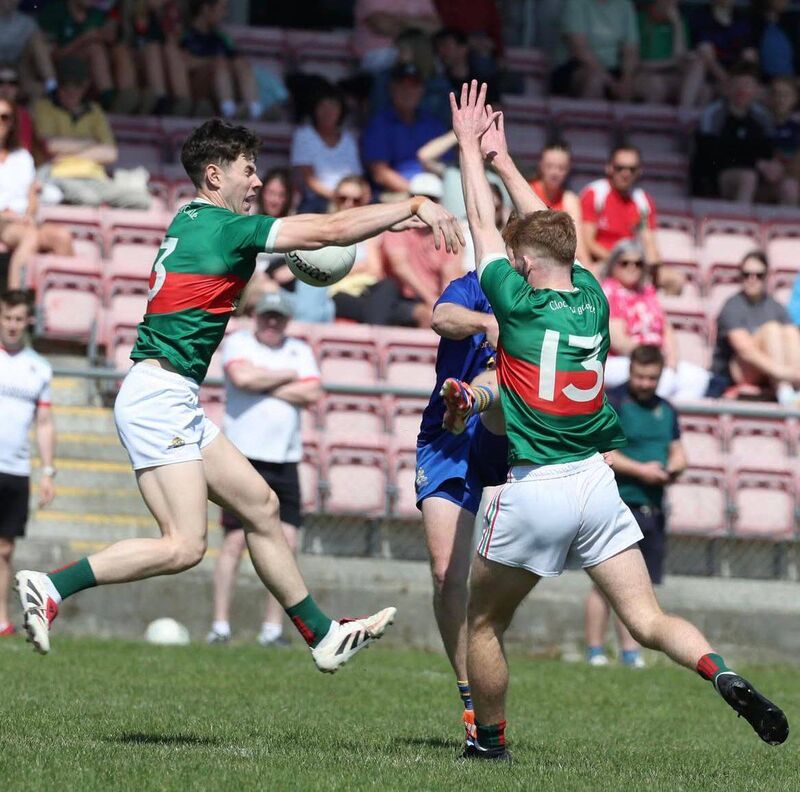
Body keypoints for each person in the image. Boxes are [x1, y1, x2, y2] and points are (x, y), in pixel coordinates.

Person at [15, 117, 464, 670]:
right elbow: (327, 232)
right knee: (184, 545)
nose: (256, 182)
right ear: (213, 174)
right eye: (247, 170)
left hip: (169, 394)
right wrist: (413, 205)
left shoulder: (191, 218)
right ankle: (52, 585)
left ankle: (321, 634)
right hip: (160, 396)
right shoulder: (226, 228)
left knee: (262, 505)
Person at [447, 80, 787, 760]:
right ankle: (718, 672)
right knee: (649, 619)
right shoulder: (598, 297)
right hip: (597, 486)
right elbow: (547, 229)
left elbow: (485, 225)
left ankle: (490, 743)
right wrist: (508, 160)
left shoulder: (513, 300)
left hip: (536, 487)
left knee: (481, 621)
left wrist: (468, 146)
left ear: (525, 266)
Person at [415, 264, 508, 747]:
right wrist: (485, 322)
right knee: (445, 571)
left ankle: (472, 399)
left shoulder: (545, 292)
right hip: (445, 444)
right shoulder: (471, 285)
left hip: (509, 433)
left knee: (502, 577)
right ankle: (471, 697)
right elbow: (442, 317)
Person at [208, 291, 322, 647]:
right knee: (234, 542)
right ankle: (220, 625)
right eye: (266, 316)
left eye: (279, 318)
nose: (272, 323)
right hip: (243, 458)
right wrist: (288, 377)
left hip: (285, 459)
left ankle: (273, 628)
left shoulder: (300, 350)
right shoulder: (240, 342)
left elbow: (312, 392)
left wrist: (265, 381)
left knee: (286, 544)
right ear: (256, 316)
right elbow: (242, 379)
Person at [585, 344, 686, 669]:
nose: (645, 383)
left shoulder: (667, 409)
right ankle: (595, 649)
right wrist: (642, 470)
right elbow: (604, 451)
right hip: (617, 501)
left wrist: (676, 466)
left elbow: (678, 451)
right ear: (630, 372)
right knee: (604, 584)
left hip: (653, 508)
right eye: (640, 377)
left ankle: (630, 652)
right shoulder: (613, 401)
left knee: (642, 587)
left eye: (652, 378)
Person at [0, 290, 55, 637]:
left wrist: (48, 471)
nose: (12, 325)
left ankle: (1, 619)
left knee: (5, 548)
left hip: (16, 469)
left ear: (28, 321)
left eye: (19, 319)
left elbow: (45, 424)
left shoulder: (40, 368)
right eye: (7, 318)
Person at [33, 56, 151, 209]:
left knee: (141, 201)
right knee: (88, 199)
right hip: (58, 175)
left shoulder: (94, 111)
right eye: (65, 85)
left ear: (86, 85)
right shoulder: (44, 107)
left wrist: (66, 153)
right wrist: (89, 142)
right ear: (58, 84)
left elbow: (110, 154)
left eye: (77, 85)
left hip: (96, 177)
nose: (71, 91)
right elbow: (49, 145)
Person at [602, 240, 709, 400]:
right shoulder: (609, 291)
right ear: (614, 265)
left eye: (638, 263)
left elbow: (666, 328)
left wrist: (672, 358)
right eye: (625, 263)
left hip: (655, 357)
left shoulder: (647, 292)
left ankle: (667, 419)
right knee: (661, 379)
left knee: (698, 378)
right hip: (622, 359)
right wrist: (652, 360)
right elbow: (618, 340)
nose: (632, 268)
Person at [580, 145, 682, 294]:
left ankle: (652, 313)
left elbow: (650, 243)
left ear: (639, 171)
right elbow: (589, 242)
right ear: (609, 168)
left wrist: (650, 265)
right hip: (604, 262)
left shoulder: (643, 201)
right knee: (592, 274)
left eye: (631, 169)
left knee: (676, 280)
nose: (625, 173)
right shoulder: (595, 194)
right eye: (620, 168)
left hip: (634, 263)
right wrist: (618, 261)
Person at [0, 96, 74, 289]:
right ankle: (15, 299)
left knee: (62, 237)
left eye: (5, 117)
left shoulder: (22, 157)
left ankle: (60, 299)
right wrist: (11, 218)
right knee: (29, 236)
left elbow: (31, 193)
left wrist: (29, 216)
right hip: (3, 222)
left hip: (24, 221)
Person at [708, 250, 800, 403]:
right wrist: (785, 373)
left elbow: (793, 338)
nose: (752, 279)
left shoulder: (775, 307)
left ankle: (794, 388)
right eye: (746, 274)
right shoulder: (732, 306)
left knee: (789, 333)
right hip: (737, 372)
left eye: (759, 275)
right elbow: (745, 350)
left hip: (769, 373)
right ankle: (784, 390)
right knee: (771, 330)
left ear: (766, 277)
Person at [381, 172, 463, 326]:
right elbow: (401, 268)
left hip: (433, 298)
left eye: (431, 199)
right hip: (398, 298)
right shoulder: (398, 227)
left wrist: (444, 305)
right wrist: (432, 301)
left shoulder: (447, 234)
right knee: (427, 316)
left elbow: (450, 276)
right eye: (418, 200)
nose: (426, 206)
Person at [693, 62, 779, 203]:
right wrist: (754, 163)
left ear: (757, 90)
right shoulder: (713, 114)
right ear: (727, 88)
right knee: (747, 177)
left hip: (758, 177)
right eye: (738, 84)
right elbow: (709, 154)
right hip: (718, 177)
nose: (742, 90)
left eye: (747, 85)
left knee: (789, 187)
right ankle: (740, 223)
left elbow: (767, 151)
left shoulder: (763, 117)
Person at [39, 0, 140, 114]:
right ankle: (109, 100)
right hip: (65, 66)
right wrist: (83, 39)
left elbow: (109, 40)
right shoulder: (54, 11)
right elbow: (52, 57)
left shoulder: (97, 14)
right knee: (94, 49)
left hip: (95, 68)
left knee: (120, 49)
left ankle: (129, 96)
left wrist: (108, 36)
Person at [361, 63, 448, 194]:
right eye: (402, 86)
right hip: (397, 196)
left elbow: (447, 166)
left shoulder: (434, 123)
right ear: (391, 89)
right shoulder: (379, 124)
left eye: (414, 86)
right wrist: (419, 194)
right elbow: (380, 173)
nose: (408, 91)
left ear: (422, 90)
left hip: (437, 193)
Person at [181, 0, 263, 121]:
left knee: (240, 64)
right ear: (205, 9)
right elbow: (184, 64)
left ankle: (255, 111)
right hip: (198, 89)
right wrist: (212, 61)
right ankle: (228, 111)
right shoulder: (185, 37)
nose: (225, 14)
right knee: (220, 63)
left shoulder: (222, 38)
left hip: (226, 84)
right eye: (222, 9)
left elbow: (237, 61)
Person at [290, 85, 362, 213]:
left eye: (333, 106)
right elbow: (309, 179)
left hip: (349, 198)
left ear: (341, 111)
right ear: (314, 109)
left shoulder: (348, 139)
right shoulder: (303, 135)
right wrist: (339, 197)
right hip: (317, 200)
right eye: (323, 106)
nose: (328, 111)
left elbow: (356, 176)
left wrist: (360, 195)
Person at [551, 0, 639, 100]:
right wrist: (611, 83)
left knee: (654, 84)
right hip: (576, 67)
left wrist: (627, 78)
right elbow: (580, 50)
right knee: (595, 81)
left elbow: (631, 50)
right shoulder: (575, 3)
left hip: (615, 69)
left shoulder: (624, 4)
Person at [124, 0, 191, 116]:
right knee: (153, 49)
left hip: (160, 67)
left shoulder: (166, 13)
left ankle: (184, 102)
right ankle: (160, 100)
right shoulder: (130, 11)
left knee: (170, 50)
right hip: (135, 64)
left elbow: (174, 43)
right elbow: (127, 44)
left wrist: (169, 21)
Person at [634, 0, 705, 108]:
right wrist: (670, 63)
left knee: (704, 88)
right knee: (656, 85)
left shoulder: (680, 23)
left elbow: (679, 56)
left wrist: (677, 24)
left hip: (671, 75)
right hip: (645, 75)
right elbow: (637, 63)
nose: (672, 5)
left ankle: (684, 114)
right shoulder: (640, 20)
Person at [529, 141, 589, 265]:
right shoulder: (528, 191)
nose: (555, 172)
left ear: (568, 169)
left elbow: (579, 248)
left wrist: (588, 270)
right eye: (549, 166)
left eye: (561, 168)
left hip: (560, 263)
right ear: (541, 165)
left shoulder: (570, 200)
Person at [353, 0, 440, 72]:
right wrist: (419, 24)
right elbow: (382, 25)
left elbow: (436, 28)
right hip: (378, 54)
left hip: (419, 50)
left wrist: (398, 20)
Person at [0, 0, 57, 99]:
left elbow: (41, 46)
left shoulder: (27, 22)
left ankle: (52, 87)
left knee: (37, 40)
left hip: (19, 69)